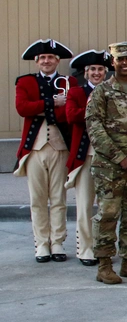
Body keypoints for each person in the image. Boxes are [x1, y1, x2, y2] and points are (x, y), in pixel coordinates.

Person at [85, 42, 127, 284]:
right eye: (120, 59)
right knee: (107, 214)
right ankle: (104, 265)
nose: (125, 63)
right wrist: (118, 157)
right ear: (112, 63)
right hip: (109, 167)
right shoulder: (101, 92)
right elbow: (94, 127)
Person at [14, 39, 76, 263]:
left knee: (59, 198)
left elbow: (68, 113)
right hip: (35, 149)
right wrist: (51, 102)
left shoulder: (69, 81)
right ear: (36, 61)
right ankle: (41, 244)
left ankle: (58, 242)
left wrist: (39, 107)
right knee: (37, 199)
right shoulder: (25, 82)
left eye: (50, 57)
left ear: (57, 61)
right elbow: (22, 108)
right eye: (42, 58)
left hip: (60, 147)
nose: (46, 61)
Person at [65, 49, 113, 266]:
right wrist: (95, 109)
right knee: (84, 205)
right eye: (92, 69)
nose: (96, 73)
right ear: (85, 73)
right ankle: (85, 249)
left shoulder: (113, 92)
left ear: (105, 72)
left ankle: (104, 248)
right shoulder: (76, 93)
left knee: (107, 207)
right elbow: (71, 115)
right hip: (85, 156)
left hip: (109, 157)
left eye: (100, 69)